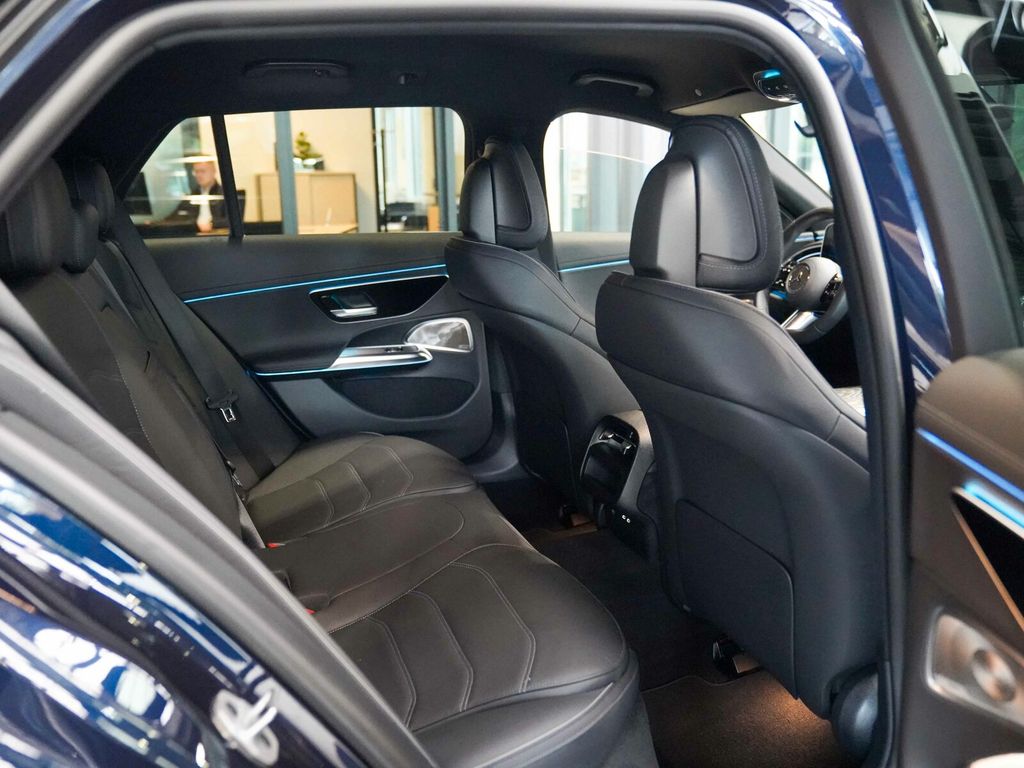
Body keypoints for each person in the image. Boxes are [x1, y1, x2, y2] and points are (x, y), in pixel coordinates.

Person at [167, 159, 228, 232]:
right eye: (196, 172)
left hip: (217, 234)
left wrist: (212, 225)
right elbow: (177, 217)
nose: (199, 175)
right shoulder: (191, 196)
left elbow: (231, 220)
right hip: (194, 234)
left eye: (202, 171)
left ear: (213, 171)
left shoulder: (224, 195)